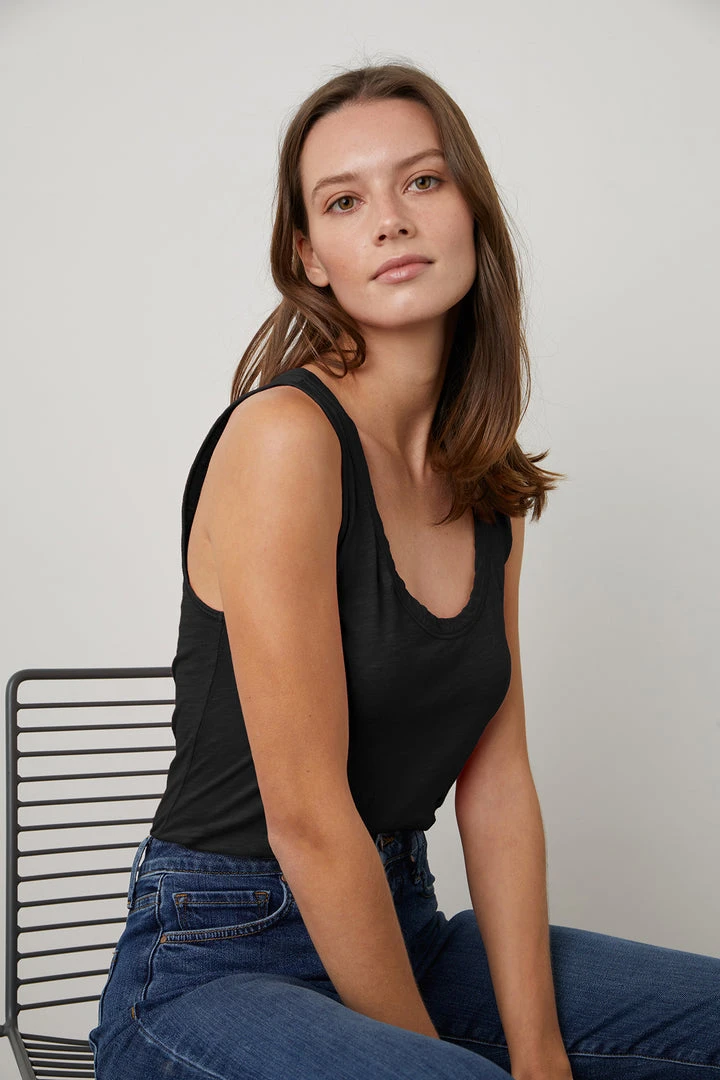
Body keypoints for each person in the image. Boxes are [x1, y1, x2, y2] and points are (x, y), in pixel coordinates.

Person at [88, 61, 720, 1080]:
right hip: (209, 962)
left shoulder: (487, 482)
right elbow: (306, 818)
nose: (390, 220)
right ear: (311, 255)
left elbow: (498, 787)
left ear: (471, 209)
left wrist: (541, 1055)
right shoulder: (286, 439)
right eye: (345, 201)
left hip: (403, 928)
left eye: (423, 181)